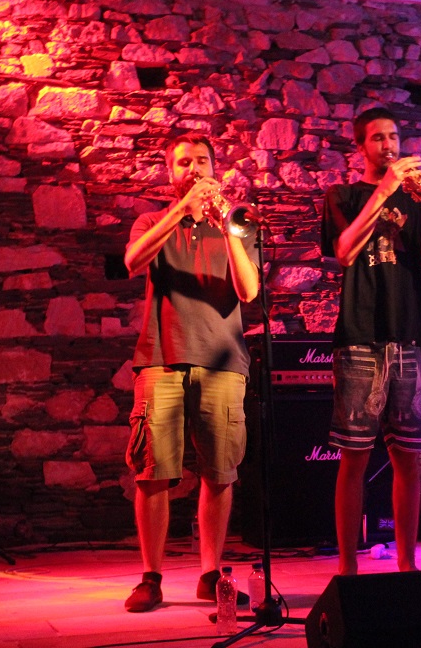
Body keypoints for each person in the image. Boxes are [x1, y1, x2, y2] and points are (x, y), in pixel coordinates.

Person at [121, 133, 260, 613]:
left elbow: (248, 291)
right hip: (160, 357)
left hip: (223, 362)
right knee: (153, 473)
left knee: (219, 473)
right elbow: (133, 261)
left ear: (216, 169)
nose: (194, 169)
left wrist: (227, 228)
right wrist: (182, 210)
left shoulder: (238, 223)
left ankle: (209, 574)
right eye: (184, 163)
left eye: (202, 161)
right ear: (171, 172)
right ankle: (151, 577)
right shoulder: (152, 221)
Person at [321, 107, 421, 576]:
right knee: (354, 457)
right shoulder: (342, 195)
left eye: (394, 136)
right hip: (360, 335)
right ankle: (347, 568)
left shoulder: (415, 200)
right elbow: (344, 251)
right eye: (378, 138)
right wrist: (384, 191)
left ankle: (407, 565)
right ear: (361, 146)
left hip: (409, 336)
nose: (389, 145)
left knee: (409, 459)